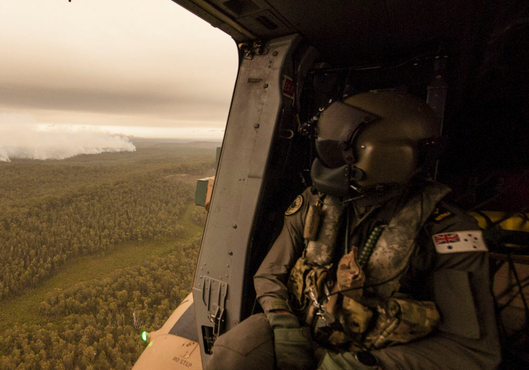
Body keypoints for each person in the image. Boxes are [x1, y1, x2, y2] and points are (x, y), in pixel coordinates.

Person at [206, 91, 501, 370]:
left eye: (339, 152)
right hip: (303, 330)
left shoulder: (447, 229)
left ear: (386, 155)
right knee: (234, 353)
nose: (326, 160)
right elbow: (269, 274)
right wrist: (283, 323)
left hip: (379, 354)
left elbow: (472, 350)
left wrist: (364, 364)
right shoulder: (316, 202)